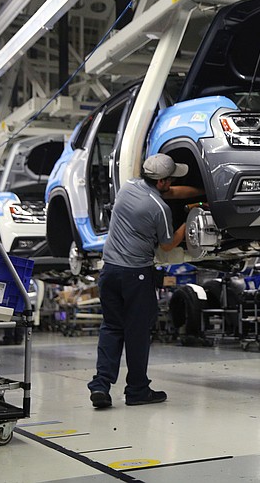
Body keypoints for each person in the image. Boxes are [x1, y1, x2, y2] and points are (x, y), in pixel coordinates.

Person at [88, 153, 203, 408]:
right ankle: (138, 390)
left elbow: (171, 193)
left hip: (109, 273)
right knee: (137, 333)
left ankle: (101, 386)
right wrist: (190, 220)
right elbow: (168, 243)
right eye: (170, 180)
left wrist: (199, 192)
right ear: (162, 181)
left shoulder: (128, 187)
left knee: (111, 328)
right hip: (135, 277)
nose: (171, 184)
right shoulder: (159, 209)